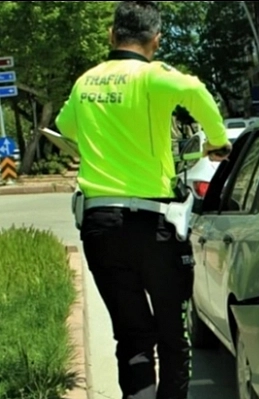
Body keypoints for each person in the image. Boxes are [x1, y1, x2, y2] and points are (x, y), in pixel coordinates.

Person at [54, 2, 231, 399]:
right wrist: (218, 142)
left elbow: (65, 127)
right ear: (156, 40)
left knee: (132, 336)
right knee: (173, 333)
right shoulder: (155, 76)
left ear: (111, 35)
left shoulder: (86, 83)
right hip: (154, 225)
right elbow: (196, 91)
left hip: (100, 226)